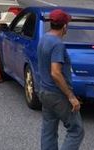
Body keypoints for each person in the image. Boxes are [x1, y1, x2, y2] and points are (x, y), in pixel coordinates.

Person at [37, 9, 83, 150]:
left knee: (49, 130)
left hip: (44, 91)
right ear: (64, 26)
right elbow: (56, 73)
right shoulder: (58, 44)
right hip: (57, 95)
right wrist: (71, 96)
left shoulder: (44, 38)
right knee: (76, 130)